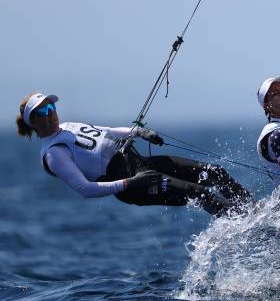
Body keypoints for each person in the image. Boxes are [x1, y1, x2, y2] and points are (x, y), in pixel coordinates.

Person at [16, 92, 251, 216]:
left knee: (214, 173)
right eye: (43, 111)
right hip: (134, 184)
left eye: (51, 107)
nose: (51, 113)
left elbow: (106, 132)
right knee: (198, 193)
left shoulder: (67, 126)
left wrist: (139, 132)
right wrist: (130, 182)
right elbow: (84, 189)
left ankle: (253, 209)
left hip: (140, 163)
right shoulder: (53, 154)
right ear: (33, 122)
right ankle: (244, 222)